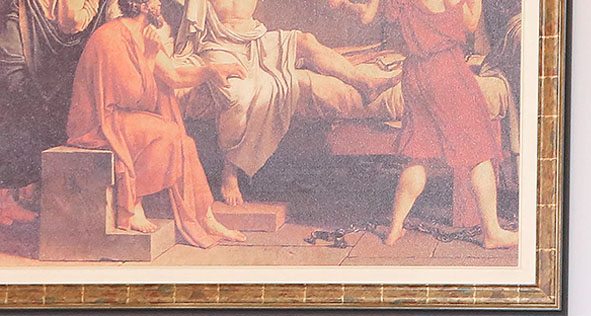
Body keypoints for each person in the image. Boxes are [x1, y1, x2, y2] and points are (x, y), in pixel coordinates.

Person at [174, 0, 400, 205]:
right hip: (219, 46)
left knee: (306, 41)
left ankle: (364, 83)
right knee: (237, 97)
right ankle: (230, 170)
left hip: (255, 38)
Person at [66, 0, 246, 244]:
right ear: (140, 5)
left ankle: (205, 217)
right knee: (168, 134)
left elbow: (174, 76)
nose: (159, 4)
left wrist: (211, 71)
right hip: (99, 122)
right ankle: (133, 204)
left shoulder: (144, 34)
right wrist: (149, 57)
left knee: (186, 143)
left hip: (123, 115)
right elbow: (133, 99)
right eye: (154, 1)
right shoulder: (111, 37)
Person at [345, 0, 517, 248]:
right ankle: (492, 233)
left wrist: (344, 4)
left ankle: (395, 228)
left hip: (415, 74)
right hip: (446, 70)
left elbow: (366, 15)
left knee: (419, 155)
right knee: (480, 154)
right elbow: (469, 23)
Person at [0, 0, 110, 225]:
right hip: (28, 77)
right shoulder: (24, 9)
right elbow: (71, 21)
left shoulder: (101, 9)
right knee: (19, 116)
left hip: (69, 85)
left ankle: (50, 204)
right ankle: (6, 200)